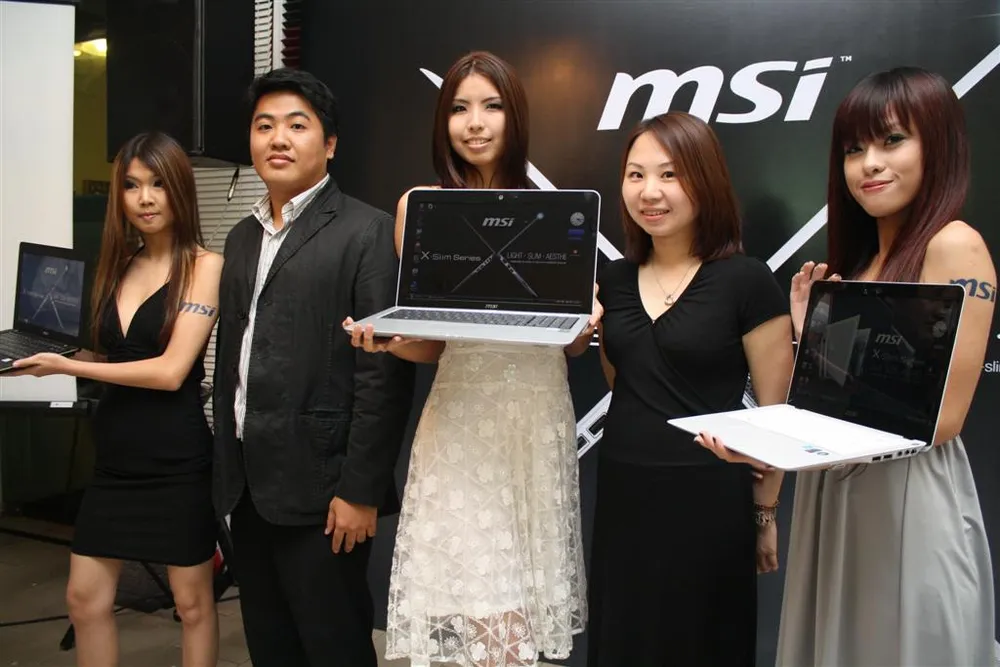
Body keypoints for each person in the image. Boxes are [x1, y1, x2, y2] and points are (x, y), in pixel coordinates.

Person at [701, 67, 998, 666]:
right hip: (839, 494)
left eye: (893, 140)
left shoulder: (953, 244)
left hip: (905, 501)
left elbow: (939, 420)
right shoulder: (860, 264)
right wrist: (811, 341)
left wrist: (791, 444)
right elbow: (834, 398)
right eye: (854, 149)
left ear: (938, 144)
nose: (869, 164)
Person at [344, 51, 591, 667]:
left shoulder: (554, 210)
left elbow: (571, 346)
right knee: (466, 597)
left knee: (517, 615)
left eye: (491, 106)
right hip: (460, 420)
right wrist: (388, 340)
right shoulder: (421, 206)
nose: (474, 123)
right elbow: (432, 341)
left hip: (535, 415)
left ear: (515, 117)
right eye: (459, 108)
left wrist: (585, 320)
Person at [210, 68, 415, 667]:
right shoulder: (242, 237)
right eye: (264, 126)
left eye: (297, 126)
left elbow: (383, 375)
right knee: (270, 645)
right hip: (247, 485)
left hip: (325, 491)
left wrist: (360, 491)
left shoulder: (367, 231)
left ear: (329, 144)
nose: (278, 138)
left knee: (334, 646)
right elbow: (233, 363)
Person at [588, 111, 794, 666]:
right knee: (625, 638)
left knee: (703, 641)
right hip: (625, 492)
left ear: (705, 181)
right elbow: (624, 382)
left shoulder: (747, 281)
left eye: (669, 174)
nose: (649, 192)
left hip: (709, 499)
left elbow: (775, 417)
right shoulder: (612, 280)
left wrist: (764, 515)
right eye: (635, 175)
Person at [13, 131, 222, 667]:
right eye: (131, 185)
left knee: (192, 604)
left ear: (180, 190)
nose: (144, 198)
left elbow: (171, 372)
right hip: (115, 459)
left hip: (176, 460)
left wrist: (68, 366)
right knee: (85, 599)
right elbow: (117, 359)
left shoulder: (205, 266)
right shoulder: (120, 264)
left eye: (158, 184)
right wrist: (52, 353)